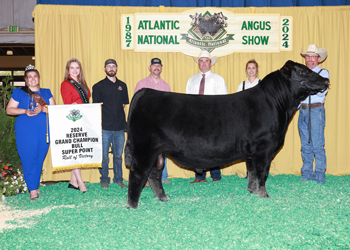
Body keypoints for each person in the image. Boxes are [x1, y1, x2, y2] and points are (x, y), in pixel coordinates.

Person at [6, 64, 56, 200]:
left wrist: (43, 109)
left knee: (40, 157)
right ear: (26, 80)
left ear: (38, 78)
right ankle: (32, 189)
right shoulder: (19, 92)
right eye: (29, 77)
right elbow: (9, 110)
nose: (32, 79)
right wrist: (25, 111)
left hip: (44, 130)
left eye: (35, 76)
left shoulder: (46, 92)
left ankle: (34, 185)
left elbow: (55, 110)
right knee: (29, 157)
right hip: (26, 130)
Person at [186, 51, 228, 183]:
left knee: (214, 146)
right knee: (197, 147)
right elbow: (187, 100)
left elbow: (224, 101)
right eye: (201, 61)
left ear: (211, 63)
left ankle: (216, 175)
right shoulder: (191, 80)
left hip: (213, 118)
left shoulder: (218, 79)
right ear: (198, 63)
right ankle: (199, 176)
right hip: (195, 118)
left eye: (206, 61)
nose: (204, 63)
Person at [92, 59, 129, 188]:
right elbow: (96, 107)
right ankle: (104, 180)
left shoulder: (123, 85)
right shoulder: (98, 86)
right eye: (109, 66)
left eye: (113, 66)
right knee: (104, 157)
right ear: (104, 69)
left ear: (117, 68)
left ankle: (118, 179)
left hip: (119, 127)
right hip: (104, 128)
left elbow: (123, 104)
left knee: (118, 156)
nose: (111, 68)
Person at [134, 58, 171, 186]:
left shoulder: (166, 86)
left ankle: (163, 177)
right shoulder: (141, 84)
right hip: (146, 123)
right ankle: (145, 178)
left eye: (158, 65)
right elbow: (136, 104)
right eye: (154, 65)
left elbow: (169, 106)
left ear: (161, 68)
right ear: (149, 68)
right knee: (146, 152)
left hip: (161, 124)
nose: (156, 67)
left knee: (162, 150)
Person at [299, 44, 329, 184]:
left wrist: (305, 87)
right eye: (308, 56)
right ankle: (306, 172)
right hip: (302, 109)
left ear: (318, 58)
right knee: (305, 144)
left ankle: (319, 174)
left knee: (317, 144)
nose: (310, 59)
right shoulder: (301, 73)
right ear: (305, 58)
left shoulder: (323, 73)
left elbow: (321, 90)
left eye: (313, 56)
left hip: (316, 110)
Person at [60, 57, 90, 192]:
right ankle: (81, 182)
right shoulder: (66, 84)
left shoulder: (83, 83)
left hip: (83, 119)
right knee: (75, 151)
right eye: (72, 68)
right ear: (68, 70)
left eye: (77, 67)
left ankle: (73, 182)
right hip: (73, 119)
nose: (75, 70)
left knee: (79, 149)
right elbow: (67, 104)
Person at [237, 59, 261, 178]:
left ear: (257, 70)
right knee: (247, 147)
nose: (251, 70)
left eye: (253, 68)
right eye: (249, 68)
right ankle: (250, 172)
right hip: (245, 121)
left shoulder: (262, 84)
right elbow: (237, 104)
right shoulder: (241, 85)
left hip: (259, 121)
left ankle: (258, 171)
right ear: (246, 71)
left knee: (259, 146)